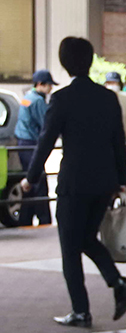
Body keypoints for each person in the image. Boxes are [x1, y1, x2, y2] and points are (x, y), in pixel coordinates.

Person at [19, 37, 126, 328]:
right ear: (91, 61)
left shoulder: (62, 98)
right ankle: (118, 282)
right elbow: (118, 143)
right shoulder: (108, 97)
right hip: (104, 183)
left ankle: (81, 311)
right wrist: (123, 181)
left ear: (64, 62)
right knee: (85, 239)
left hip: (74, 184)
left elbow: (45, 141)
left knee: (70, 249)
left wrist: (30, 179)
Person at [13, 70, 57, 226]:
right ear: (40, 85)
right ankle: (44, 220)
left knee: (29, 182)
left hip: (22, 143)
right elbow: (47, 123)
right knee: (38, 182)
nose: (50, 89)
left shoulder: (26, 98)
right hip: (32, 143)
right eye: (49, 86)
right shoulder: (38, 102)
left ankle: (25, 220)